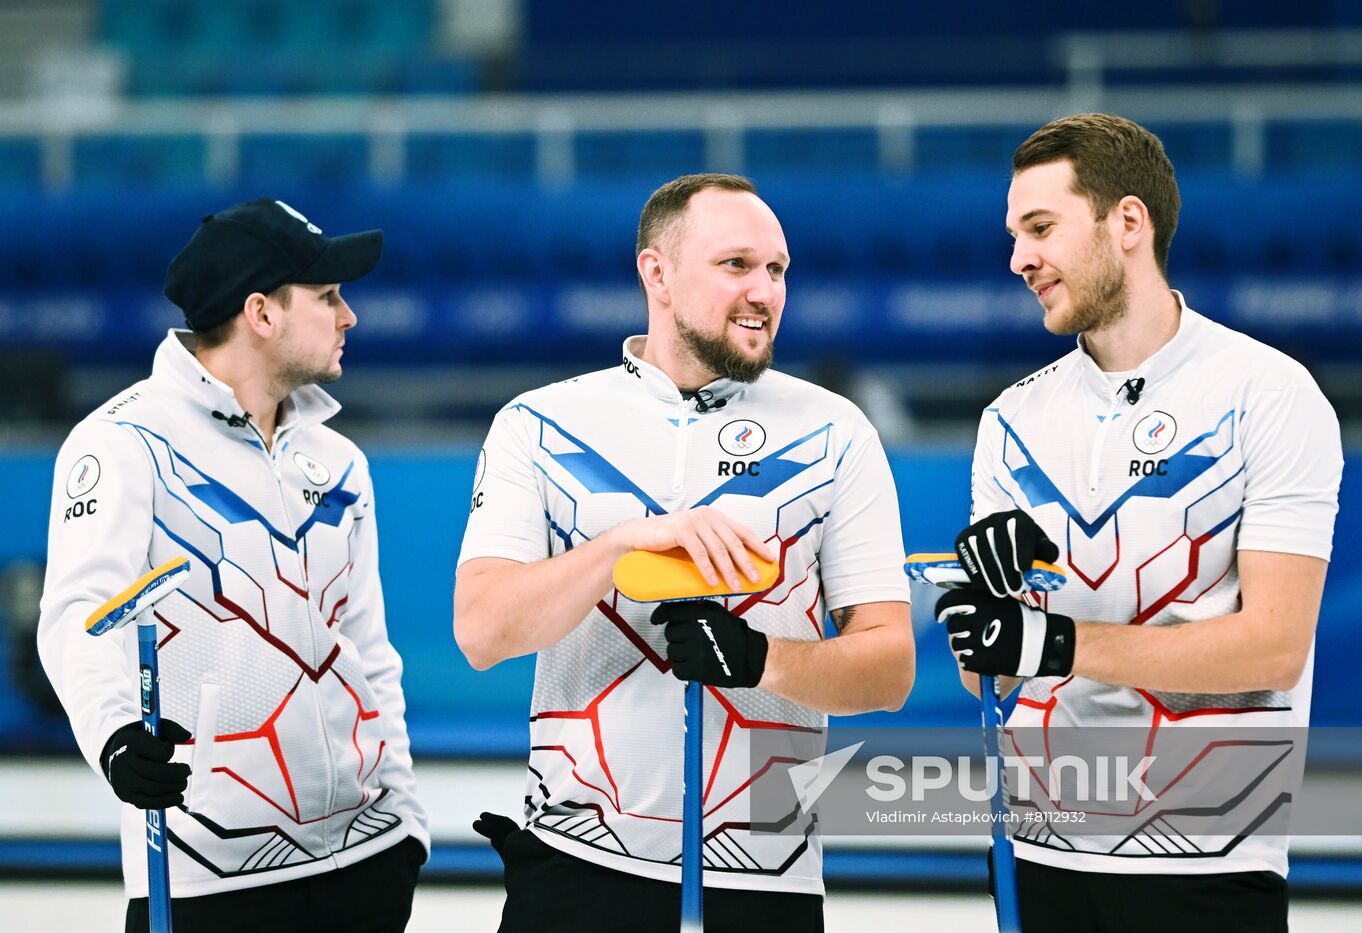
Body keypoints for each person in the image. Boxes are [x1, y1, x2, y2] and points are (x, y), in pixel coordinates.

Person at [454, 173, 914, 931]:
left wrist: (757, 658)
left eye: (777, 269)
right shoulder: (538, 424)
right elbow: (482, 631)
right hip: (576, 866)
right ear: (656, 273)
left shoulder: (837, 432)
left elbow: (891, 667)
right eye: (736, 265)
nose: (764, 290)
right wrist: (623, 543)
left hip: (764, 877)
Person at [934, 113, 1343, 932]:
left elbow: (1274, 645)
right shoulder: (1010, 419)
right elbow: (988, 682)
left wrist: (1056, 642)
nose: (1019, 259)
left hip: (1208, 857)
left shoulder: (1268, 392)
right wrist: (990, 613)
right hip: (1035, 854)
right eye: (1015, 235)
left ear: (1128, 222)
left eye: (1040, 228)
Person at [37, 198, 429, 932]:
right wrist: (118, 737)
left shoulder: (338, 458)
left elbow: (371, 652)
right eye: (329, 296)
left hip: (367, 866)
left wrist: (405, 821)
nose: (350, 316)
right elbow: (76, 621)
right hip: (204, 879)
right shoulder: (121, 444)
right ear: (261, 312)